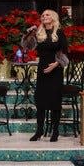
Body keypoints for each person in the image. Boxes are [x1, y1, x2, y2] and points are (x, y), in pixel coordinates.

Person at [21, 9, 68, 142]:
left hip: (56, 70)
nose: (44, 16)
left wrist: (56, 64)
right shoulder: (38, 33)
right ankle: (39, 131)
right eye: (42, 15)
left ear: (53, 17)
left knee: (54, 102)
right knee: (40, 101)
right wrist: (28, 34)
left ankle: (55, 131)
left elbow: (65, 52)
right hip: (42, 70)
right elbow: (27, 47)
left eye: (47, 14)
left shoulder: (59, 33)